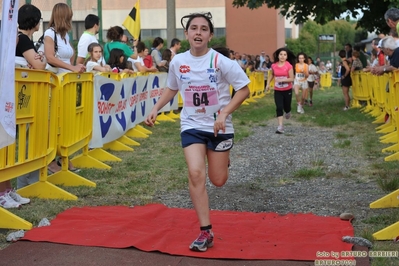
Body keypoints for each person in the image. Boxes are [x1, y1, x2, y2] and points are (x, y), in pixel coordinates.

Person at [144, 12, 250, 252]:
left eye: (204, 29)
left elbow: (244, 90)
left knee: (218, 180)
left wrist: (224, 114)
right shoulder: (178, 61)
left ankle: (223, 161)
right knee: (195, 174)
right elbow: (172, 88)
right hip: (191, 125)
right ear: (187, 34)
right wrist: (156, 108)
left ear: (210, 35)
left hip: (219, 127)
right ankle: (206, 231)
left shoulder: (221, 61)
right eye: (194, 28)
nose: (198, 32)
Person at [1, 3, 46, 207]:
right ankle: (3, 191)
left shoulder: (14, 34)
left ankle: (7, 189)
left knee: (8, 142)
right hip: (10, 95)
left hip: (12, 97)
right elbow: (38, 64)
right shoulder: (19, 37)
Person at [43, 3, 86, 74]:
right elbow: (50, 58)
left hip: (67, 78)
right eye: (69, 17)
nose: (71, 20)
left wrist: (75, 67)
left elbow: (71, 55)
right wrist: (72, 68)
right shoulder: (50, 33)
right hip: (56, 79)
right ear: (64, 18)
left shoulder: (66, 35)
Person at [265, 47, 295, 134]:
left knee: (286, 106)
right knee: (279, 107)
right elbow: (272, 75)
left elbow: (292, 78)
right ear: (278, 56)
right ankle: (280, 126)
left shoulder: (288, 66)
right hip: (277, 90)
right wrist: (268, 84)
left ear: (286, 56)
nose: (282, 56)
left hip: (287, 89)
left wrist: (282, 80)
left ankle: (288, 111)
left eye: (284, 55)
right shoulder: (274, 65)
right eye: (281, 54)